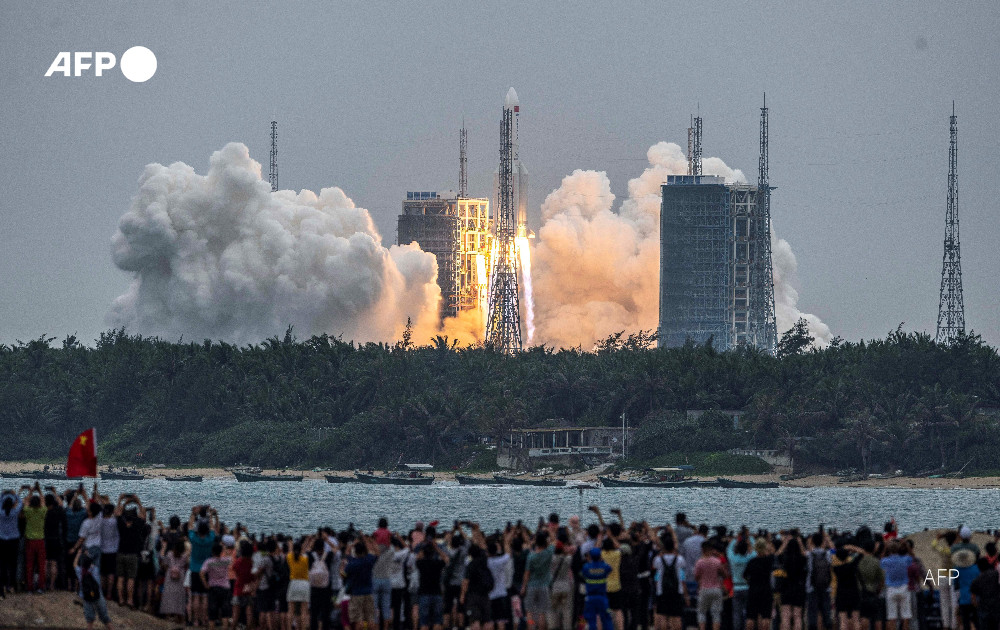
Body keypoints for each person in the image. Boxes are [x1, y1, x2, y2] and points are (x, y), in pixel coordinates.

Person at [189, 505, 221, 627]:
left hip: (194, 568)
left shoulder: (194, 538)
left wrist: (193, 514)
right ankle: (204, 619)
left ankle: (196, 620)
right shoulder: (210, 539)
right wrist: (211, 515)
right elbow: (212, 528)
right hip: (207, 570)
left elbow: (190, 526)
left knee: (196, 596)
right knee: (205, 597)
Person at [115, 496, 149, 608]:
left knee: (120, 577)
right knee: (131, 579)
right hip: (132, 554)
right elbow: (143, 515)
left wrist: (121, 501)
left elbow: (117, 512)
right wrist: (138, 501)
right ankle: (129, 600)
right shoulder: (138, 524)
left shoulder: (120, 523)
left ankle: (120, 599)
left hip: (121, 552)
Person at [652, 529, 687, 630]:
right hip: (677, 590)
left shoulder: (658, 559)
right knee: (676, 617)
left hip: (662, 590)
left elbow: (656, 572)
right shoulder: (680, 559)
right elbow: (682, 574)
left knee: (663, 615)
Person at [75, 547, 115, 630]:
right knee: (105, 618)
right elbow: (94, 561)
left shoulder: (79, 572)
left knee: (90, 621)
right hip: (98, 595)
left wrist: (79, 554)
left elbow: (74, 564)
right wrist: (87, 554)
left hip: (86, 597)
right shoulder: (95, 569)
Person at [416, 532, 449, 630]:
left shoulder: (421, 564)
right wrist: (436, 547)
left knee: (424, 622)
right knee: (438, 621)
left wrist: (424, 546)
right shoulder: (437, 564)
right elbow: (446, 559)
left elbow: (417, 557)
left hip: (424, 593)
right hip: (436, 593)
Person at [522, 531, 554, 630]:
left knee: (530, 612)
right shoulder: (549, 552)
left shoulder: (531, 556)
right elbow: (554, 541)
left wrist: (524, 586)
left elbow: (527, 573)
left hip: (532, 585)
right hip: (544, 585)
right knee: (542, 613)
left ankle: (531, 626)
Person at [345, 537, 378, 630]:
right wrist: (370, 542)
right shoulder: (369, 560)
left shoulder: (352, 563)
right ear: (365, 550)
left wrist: (353, 544)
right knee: (370, 618)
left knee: (358, 620)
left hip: (356, 593)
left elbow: (347, 553)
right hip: (368, 592)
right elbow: (377, 553)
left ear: (355, 551)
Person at [694, 540, 728, 630]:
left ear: (702, 550)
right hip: (716, 589)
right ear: (711, 550)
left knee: (701, 612)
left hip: (704, 589)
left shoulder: (700, 562)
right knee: (716, 614)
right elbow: (725, 575)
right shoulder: (717, 561)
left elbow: (696, 577)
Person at [881, 541, 913, 630]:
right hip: (903, 587)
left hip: (891, 588)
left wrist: (885, 548)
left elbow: (881, 560)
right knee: (906, 614)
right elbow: (912, 557)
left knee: (892, 616)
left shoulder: (886, 561)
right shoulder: (905, 559)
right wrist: (907, 546)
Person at [833, 544, 865, 630]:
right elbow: (862, 553)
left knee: (843, 621)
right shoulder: (852, 566)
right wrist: (852, 547)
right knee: (856, 620)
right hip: (854, 593)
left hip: (841, 594)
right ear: (847, 556)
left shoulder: (836, 569)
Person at [200, 542, 233, 628]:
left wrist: (205, 584)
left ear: (212, 552)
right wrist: (225, 550)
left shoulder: (209, 562)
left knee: (212, 613)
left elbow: (202, 573)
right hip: (225, 587)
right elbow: (230, 556)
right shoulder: (226, 561)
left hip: (213, 587)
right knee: (225, 613)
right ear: (221, 552)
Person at [23, 483, 49, 593]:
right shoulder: (42, 511)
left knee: (29, 565)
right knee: (41, 565)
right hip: (40, 540)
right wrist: (40, 491)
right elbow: (43, 502)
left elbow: (25, 502)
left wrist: (30, 491)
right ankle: (41, 587)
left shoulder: (28, 511)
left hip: (29, 541)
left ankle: (29, 588)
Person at [743, 538, 774, 630]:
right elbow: (774, 553)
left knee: (751, 617)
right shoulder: (769, 560)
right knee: (766, 616)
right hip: (766, 590)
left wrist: (750, 582)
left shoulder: (751, 562)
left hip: (753, 590)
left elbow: (745, 575)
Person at [728, 530, 757, 630]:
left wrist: (736, 539)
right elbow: (754, 552)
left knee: (736, 613)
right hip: (747, 586)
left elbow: (729, 550)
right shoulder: (749, 559)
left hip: (736, 587)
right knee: (747, 612)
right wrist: (750, 539)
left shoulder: (733, 559)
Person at [582, 547, 614, 630]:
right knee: (606, 619)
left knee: (591, 620)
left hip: (590, 597)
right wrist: (602, 560)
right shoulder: (604, 567)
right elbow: (610, 568)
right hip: (602, 597)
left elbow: (583, 573)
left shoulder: (586, 567)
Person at [159, 538, 189, 623]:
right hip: (180, 577)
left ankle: (168, 615)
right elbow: (187, 565)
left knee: (168, 595)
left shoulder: (169, 554)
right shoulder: (185, 555)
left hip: (169, 576)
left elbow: (164, 564)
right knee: (179, 597)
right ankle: (178, 616)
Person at [43, 490, 66, 591]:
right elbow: (61, 504)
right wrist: (55, 492)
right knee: (54, 563)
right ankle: (52, 585)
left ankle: (44, 584)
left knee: (45, 562)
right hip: (55, 539)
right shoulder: (57, 511)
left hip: (45, 538)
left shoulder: (43, 511)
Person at [548, 541, 574, 630]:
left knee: (552, 610)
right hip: (566, 587)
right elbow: (571, 553)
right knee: (566, 610)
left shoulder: (551, 559)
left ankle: (553, 627)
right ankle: (567, 627)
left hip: (554, 587)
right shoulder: (568, 559)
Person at [287, 540, 312, 630]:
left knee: (291, 610)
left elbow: (291, 551)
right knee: (304, 611)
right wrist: (308, 541)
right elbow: (303, 552)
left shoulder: (290, 557)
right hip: (304, 584)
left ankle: (289, 628)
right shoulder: (305, 558)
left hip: (293, 583)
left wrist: (290, 543)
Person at [231, 540, 256, 630]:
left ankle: (233, 627)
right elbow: (254, 576)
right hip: (248, 588)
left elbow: (235, 571)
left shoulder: (238, 562)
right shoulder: (252, 563)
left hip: (238, 588)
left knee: (235, 614)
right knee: (249, 613)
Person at [970, 558, 1000, 630]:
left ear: (978, 567)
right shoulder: (995, 574)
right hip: (996, 607)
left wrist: (977, 606)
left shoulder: (976, 581)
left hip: (984, 608)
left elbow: (973, 598)